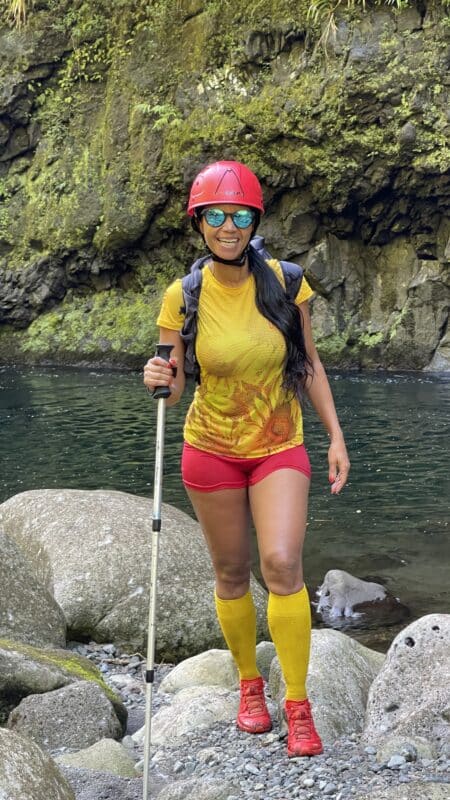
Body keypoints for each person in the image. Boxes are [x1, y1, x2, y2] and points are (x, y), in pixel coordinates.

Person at [143, 160, 350, 758]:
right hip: (209, 449)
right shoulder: (182, 294)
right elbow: (173, 384)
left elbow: (308, 364)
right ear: (199, 223)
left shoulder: (286, 282)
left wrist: (335, 437)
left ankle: (298, 701)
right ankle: (249, 686)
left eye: (238, 215)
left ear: (253, 219)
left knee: (282, 564)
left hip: (279, 445)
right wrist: (159, 374)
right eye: (215, 215)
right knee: (232, 574)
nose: (227, 226)